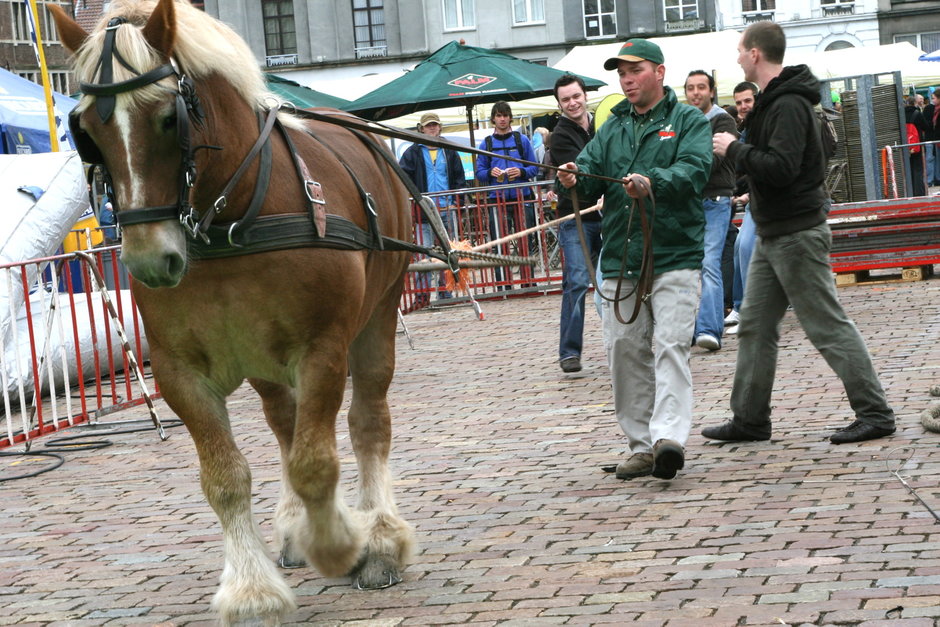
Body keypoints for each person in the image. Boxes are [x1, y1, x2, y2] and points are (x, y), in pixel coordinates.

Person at [705, 21, 896, 445]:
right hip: (776, 233)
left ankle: (875, 412)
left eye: (740, 49)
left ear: (755, 54)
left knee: (825, 323)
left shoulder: (788, 104)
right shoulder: (776, 102)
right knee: (754, 325)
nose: (737, 56)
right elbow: (773, 164)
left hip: (795, 232)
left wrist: (734, 149)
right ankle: (750, 419)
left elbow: (782, 167)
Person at [556, 39, 712, 480]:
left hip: (674, 253)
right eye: (621, 72)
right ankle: (642, 445)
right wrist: (570, 179)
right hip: (620, 260)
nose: (626, 79)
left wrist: (653, 181)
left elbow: (695, 171)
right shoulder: (612, 128)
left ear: (659, 72)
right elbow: (584, 181)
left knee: (670, 348)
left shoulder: (687, 121)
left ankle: (669, 440)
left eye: (635, 70)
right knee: (624, 350)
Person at [550, 73, 603, 373]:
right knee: (577, 282)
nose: (572, 103)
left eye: (576, 96)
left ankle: (622, 342)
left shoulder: (601, 125)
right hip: (576, 219)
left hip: (609, 216)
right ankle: (569, 352)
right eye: (566, 99)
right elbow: (581, 171)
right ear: (559, 104)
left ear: (585, 95)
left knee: (618, 279)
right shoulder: (560, 136)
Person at [684, 70, 738, 351]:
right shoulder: (683, 121)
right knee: (689, 267)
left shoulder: (723, 120)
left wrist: (684, 168)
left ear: (712, 91)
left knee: (709, 262)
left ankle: (709, 329)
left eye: (701, 87)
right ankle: (694, 328)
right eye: (691, 88)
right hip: (689, 202)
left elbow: (713, 160)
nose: (696, 93)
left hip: (716, 199)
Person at [399, 112, 467, 300]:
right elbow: (402, 178)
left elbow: (460, 179)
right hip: (423, 212)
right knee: (423, 253)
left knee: (448, 252)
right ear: (421, 128)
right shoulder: (412, 152)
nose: (432, 128)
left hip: (447, 209)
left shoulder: (449, 150)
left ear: (440, 127)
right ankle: (422, 294)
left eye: (435, 125)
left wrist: (457, 204)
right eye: (428, 125)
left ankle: (445, 289)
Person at [475, 102, 540, 288]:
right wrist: (490, 173)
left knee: (525, 240)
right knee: (499, 242)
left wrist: (521, 172)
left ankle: (529, 281)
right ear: (493, 118)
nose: (502, 119)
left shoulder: (522, 141)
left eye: (505, 115)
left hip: (522, 197)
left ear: (510, 117)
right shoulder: (486, 143)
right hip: (497, 199)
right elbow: (479, 172)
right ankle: (504, 282)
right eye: (498, 115)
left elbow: (535, 167)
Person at [724, 81, 760, 334]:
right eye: (738, 102)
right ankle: (740, 306)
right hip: (756, 200)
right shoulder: (746, 130)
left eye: (747, 101)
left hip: (772, 203)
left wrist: (745, 192)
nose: (742, 107)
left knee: (745, 246)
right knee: (740, 246)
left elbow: (762, 165)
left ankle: (750, 312)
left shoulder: (765, 127)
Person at [905, 95, 928, 197]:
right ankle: (919, 192)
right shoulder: (917, 113)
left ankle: (910, 192)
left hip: (905, 145)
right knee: (918, 169)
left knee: (908, 169)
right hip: (917, 145)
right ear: (915, 103)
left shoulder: (902, 114)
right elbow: (926, 127)